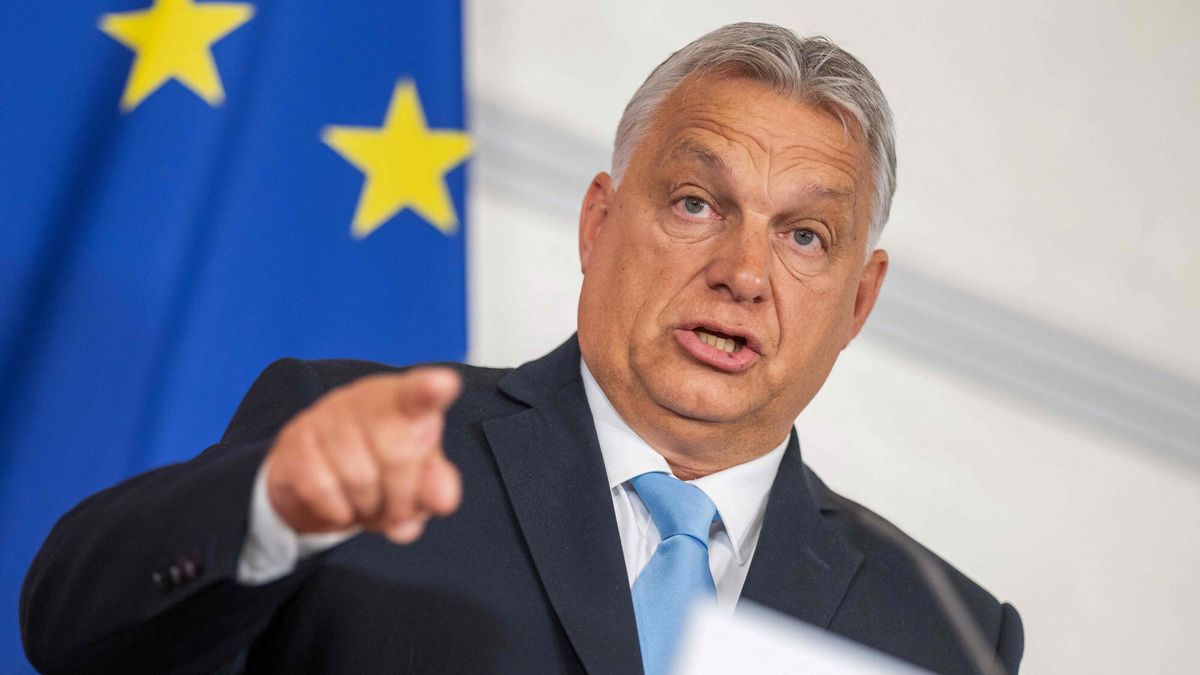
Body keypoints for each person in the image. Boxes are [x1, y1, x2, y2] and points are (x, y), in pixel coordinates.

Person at [21, 22, 1023, 675]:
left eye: (804, 236)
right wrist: (270, 512)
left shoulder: (945, 633)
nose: (744, 271)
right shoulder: (362, 449)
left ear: (859, 302)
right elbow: (73, 636)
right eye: (694, 201)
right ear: (597, 222)